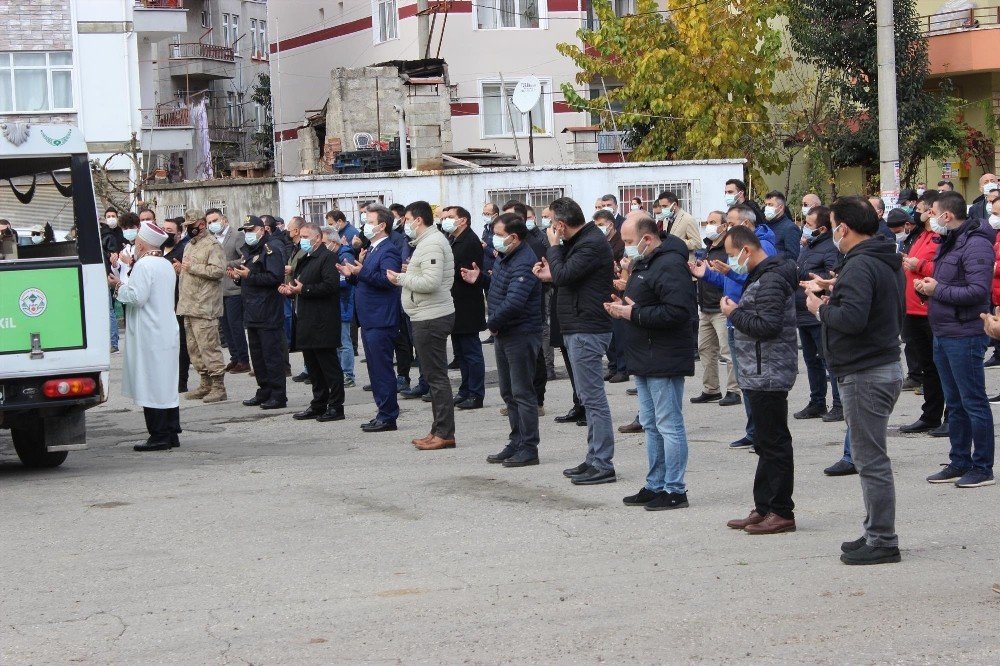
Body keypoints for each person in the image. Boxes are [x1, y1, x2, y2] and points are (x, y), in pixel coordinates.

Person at [804, 196, 904, 564]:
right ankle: (874, 532)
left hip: (867, 372)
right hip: (876, 367)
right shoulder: (876, 258)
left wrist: (821, 307)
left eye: (833, 226)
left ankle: (882, 540)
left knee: (870, 460)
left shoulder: (862, 264)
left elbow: (853, 319)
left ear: (843, 228)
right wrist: (834, 290)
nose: (832, 232)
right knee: (869, 457)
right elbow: (868, 306)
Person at [611, 212, 697, 511]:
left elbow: (678, 312)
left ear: (647, 239)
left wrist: (632, 313)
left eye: (629, 241)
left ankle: (675, 489)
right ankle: (655, 483)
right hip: (644, 354)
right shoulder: (645, 263)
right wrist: (625, 307)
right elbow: (646, 304)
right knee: (650, 424)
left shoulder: (670, 264)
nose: (625, 248)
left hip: (664, 356)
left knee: (668, 424)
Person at [721, 225, 799, 535]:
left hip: (769, 371)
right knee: (764, 443)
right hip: (758, 371)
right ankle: (764, 506)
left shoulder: (772, 278)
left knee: (774, 443)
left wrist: (733, 313)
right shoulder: (761, 275)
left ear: (747, 250)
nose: (732, 261)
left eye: (732, 255)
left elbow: (766, 325)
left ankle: (781, 510)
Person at [534, 197, 617, 485]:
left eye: (550, 221)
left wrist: (554, 248)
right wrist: (551, 273)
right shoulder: (579, 242)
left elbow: (566, 273)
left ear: (560, 224)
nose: (548, 227)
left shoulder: (591, 242)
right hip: (577, 325)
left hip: (588, 328)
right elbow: (564, 276)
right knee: (587, 397)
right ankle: (593, 458)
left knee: (593, 400)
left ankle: (603, 463)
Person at [915, 191, 996, 487]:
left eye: (931, 212)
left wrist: (938, 290)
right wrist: (928, 288)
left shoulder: (976, 244)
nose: (928, 218)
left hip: (966, 334)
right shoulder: (950, 240)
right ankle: (959, 460)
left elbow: (977, 292)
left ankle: (982, 466)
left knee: (973, 401)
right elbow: (949, 283)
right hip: (944, 331)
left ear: (946, 215)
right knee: (956, 402)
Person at [688, 205, 777, 450]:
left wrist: (732, 275)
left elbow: (758, 279)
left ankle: (762, 434)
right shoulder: (735, 245)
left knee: (753, 382)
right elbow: (731, 278)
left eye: (730, 222)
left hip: (748, 317)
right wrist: (706, 274)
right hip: (734, 315)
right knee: (745, 381)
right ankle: (753, 431)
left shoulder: (762, 246)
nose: (726, 227)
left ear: (746, 224)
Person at [473, 213, 543, 466]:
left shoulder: (524, 260)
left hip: (521, 333)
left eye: (499, 235)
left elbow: (514, 302)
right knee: (508, 392)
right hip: (505, 332)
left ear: (514, 237)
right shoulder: (505, 257)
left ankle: (529, 447)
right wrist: (480, 279)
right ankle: (516, 441)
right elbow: (501, 286)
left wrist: (490, 323)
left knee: (523, 392)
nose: (494, 239)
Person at [388, 201, 457, 451]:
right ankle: (437, 429)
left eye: (406, 219)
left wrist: (401, 278)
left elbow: (430, 283)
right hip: (424, 314)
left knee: (436, 378)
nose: (404, 224)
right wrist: (411, 272)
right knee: (432, 375)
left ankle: (444, 433)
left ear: (418, 220)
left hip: (432, 316)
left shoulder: (432, 243)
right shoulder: (427, 243)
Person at [106, 221, 181, 451]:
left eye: (137, 242)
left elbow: (137, 297)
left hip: (150, 332)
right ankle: (171, 432)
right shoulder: (165, 264)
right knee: (166, 383)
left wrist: (117, 285)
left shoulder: (144, 265)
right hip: (165, 329)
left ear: (141, 244)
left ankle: (158, 435)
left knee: (151, 383)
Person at [338, 207, 403, 432]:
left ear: (382, 225)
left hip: (381, 318)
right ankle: (382, 412)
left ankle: (388, 416)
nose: (364, 224)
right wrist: (353, 276)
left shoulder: (389, 250)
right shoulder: (372, 248)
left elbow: (388, 280)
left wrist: (360, 272)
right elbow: (368, 280)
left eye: (369, 220)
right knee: (375, 369)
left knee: (382, 369)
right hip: (369, 318)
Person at [281, 223, 345, 422]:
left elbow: (330, 286)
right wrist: (291, 291)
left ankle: (336, 406)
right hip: (306, 320)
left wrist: (303, 290)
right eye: (301, 236)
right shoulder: (306, 258)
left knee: (328, 367)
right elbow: (300, 283)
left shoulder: (327, 257)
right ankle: (318, 403)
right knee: (313, 368)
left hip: (322, 321)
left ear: (317, 238)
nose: (302, 240)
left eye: (306, 236)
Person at [897, 196, 946, 434]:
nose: (918, 213)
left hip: (930, 309)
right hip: (913, 309)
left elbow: (943, 268)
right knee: (927, 366)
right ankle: (930, 414)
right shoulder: (920, 235)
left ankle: (949, 417)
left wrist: (919, 266)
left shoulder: (942, 237)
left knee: (940, 366)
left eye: (923, 210)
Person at [231, 216, 287, 410]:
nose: (248, 234)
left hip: (268, 310)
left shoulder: (270, 249)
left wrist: (250, 276)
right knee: (258, 356)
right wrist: (239, 278)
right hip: (252, 310)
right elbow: (248, 277)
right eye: (245, 231)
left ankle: (278, 395)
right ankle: (264, 391)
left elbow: (274, 277)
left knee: (271, 355)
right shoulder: (249, 251)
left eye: (251, 230)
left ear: (262, 230)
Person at [793, 206, 841, 423]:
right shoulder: (808, 247)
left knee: (828, 360)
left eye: (809, 225)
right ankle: (817, 402)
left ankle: (839, 404)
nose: (805, 228)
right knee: (811, 360)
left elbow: (831, 276)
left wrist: (815, 282)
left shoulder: (830, 247)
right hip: (803, 311)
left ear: (822, 228)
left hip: (818, 311)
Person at [176, 215, 227, 404]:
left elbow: (218, 271)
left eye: (191, 225)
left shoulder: (212, 245)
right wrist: (181, 269)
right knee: (194, 349)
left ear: (201, 225)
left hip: (205, 305)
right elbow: (188, 271)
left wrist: (193, 267)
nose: (188, 229)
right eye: (186, 226)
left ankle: (218, 386)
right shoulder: (189, 245)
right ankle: (205, 383)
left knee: (209, 347)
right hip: (189, 305)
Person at [692, 211, 740, 406]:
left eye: (713, 222)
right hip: (705, 307)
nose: (709, 225)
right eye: (708, 221)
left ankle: (734, 390)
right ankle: (711, 389)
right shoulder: (708, 247)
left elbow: (732, 277)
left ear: (723, 226)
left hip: (721, 307)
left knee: (727, 352)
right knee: (705, 350)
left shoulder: (728, 249)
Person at [442, 206, 487, 410]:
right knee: (461, 351)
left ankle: (476, 393)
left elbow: (469, 275)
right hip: (455, 304)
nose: (446, 221)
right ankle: (465, 389)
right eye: (445, 217)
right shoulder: (454, 239)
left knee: (471, 351)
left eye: (450, 217)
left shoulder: (469, 241)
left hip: (467, 304)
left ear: (463, 221)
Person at [208, 209, 251, 374]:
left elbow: (244, 258)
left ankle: (243, 359)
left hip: (233, 288)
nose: (213, 224)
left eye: (215, 220)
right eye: (209, 222)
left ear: (224, 219)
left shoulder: (236, 236)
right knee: (225, 327)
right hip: (219, 289)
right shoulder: (212, 238)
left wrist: (227, 264)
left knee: (235, 325)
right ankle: (234, 358)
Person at [594, 209, 628, 384]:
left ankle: (623, 368)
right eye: (596, 225)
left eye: (601, 225)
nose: (599, 228)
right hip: (605, 289)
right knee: (610, 334)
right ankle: (613, 365)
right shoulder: (599, 242)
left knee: (619, 332)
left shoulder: (621, 243)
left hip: (619, 290)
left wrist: (617, 270)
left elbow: (625, 266)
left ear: (610, 225)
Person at [656, 191, 703, 258]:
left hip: (685, 261)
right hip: (669, 260)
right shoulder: (666, 220)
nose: (662, 209)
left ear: (674, 205)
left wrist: (676, 242)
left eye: (665, 206)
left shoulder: (688, 219)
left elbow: (697, 244)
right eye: (661, 206)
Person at [763, 191, 803, 261]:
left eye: (770, 205)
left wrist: (769, 254)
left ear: (781, 207)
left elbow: (793, 255)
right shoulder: (765, 226)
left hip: (777, 269)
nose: (767, 208)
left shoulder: (790, 228)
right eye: (766, 204)